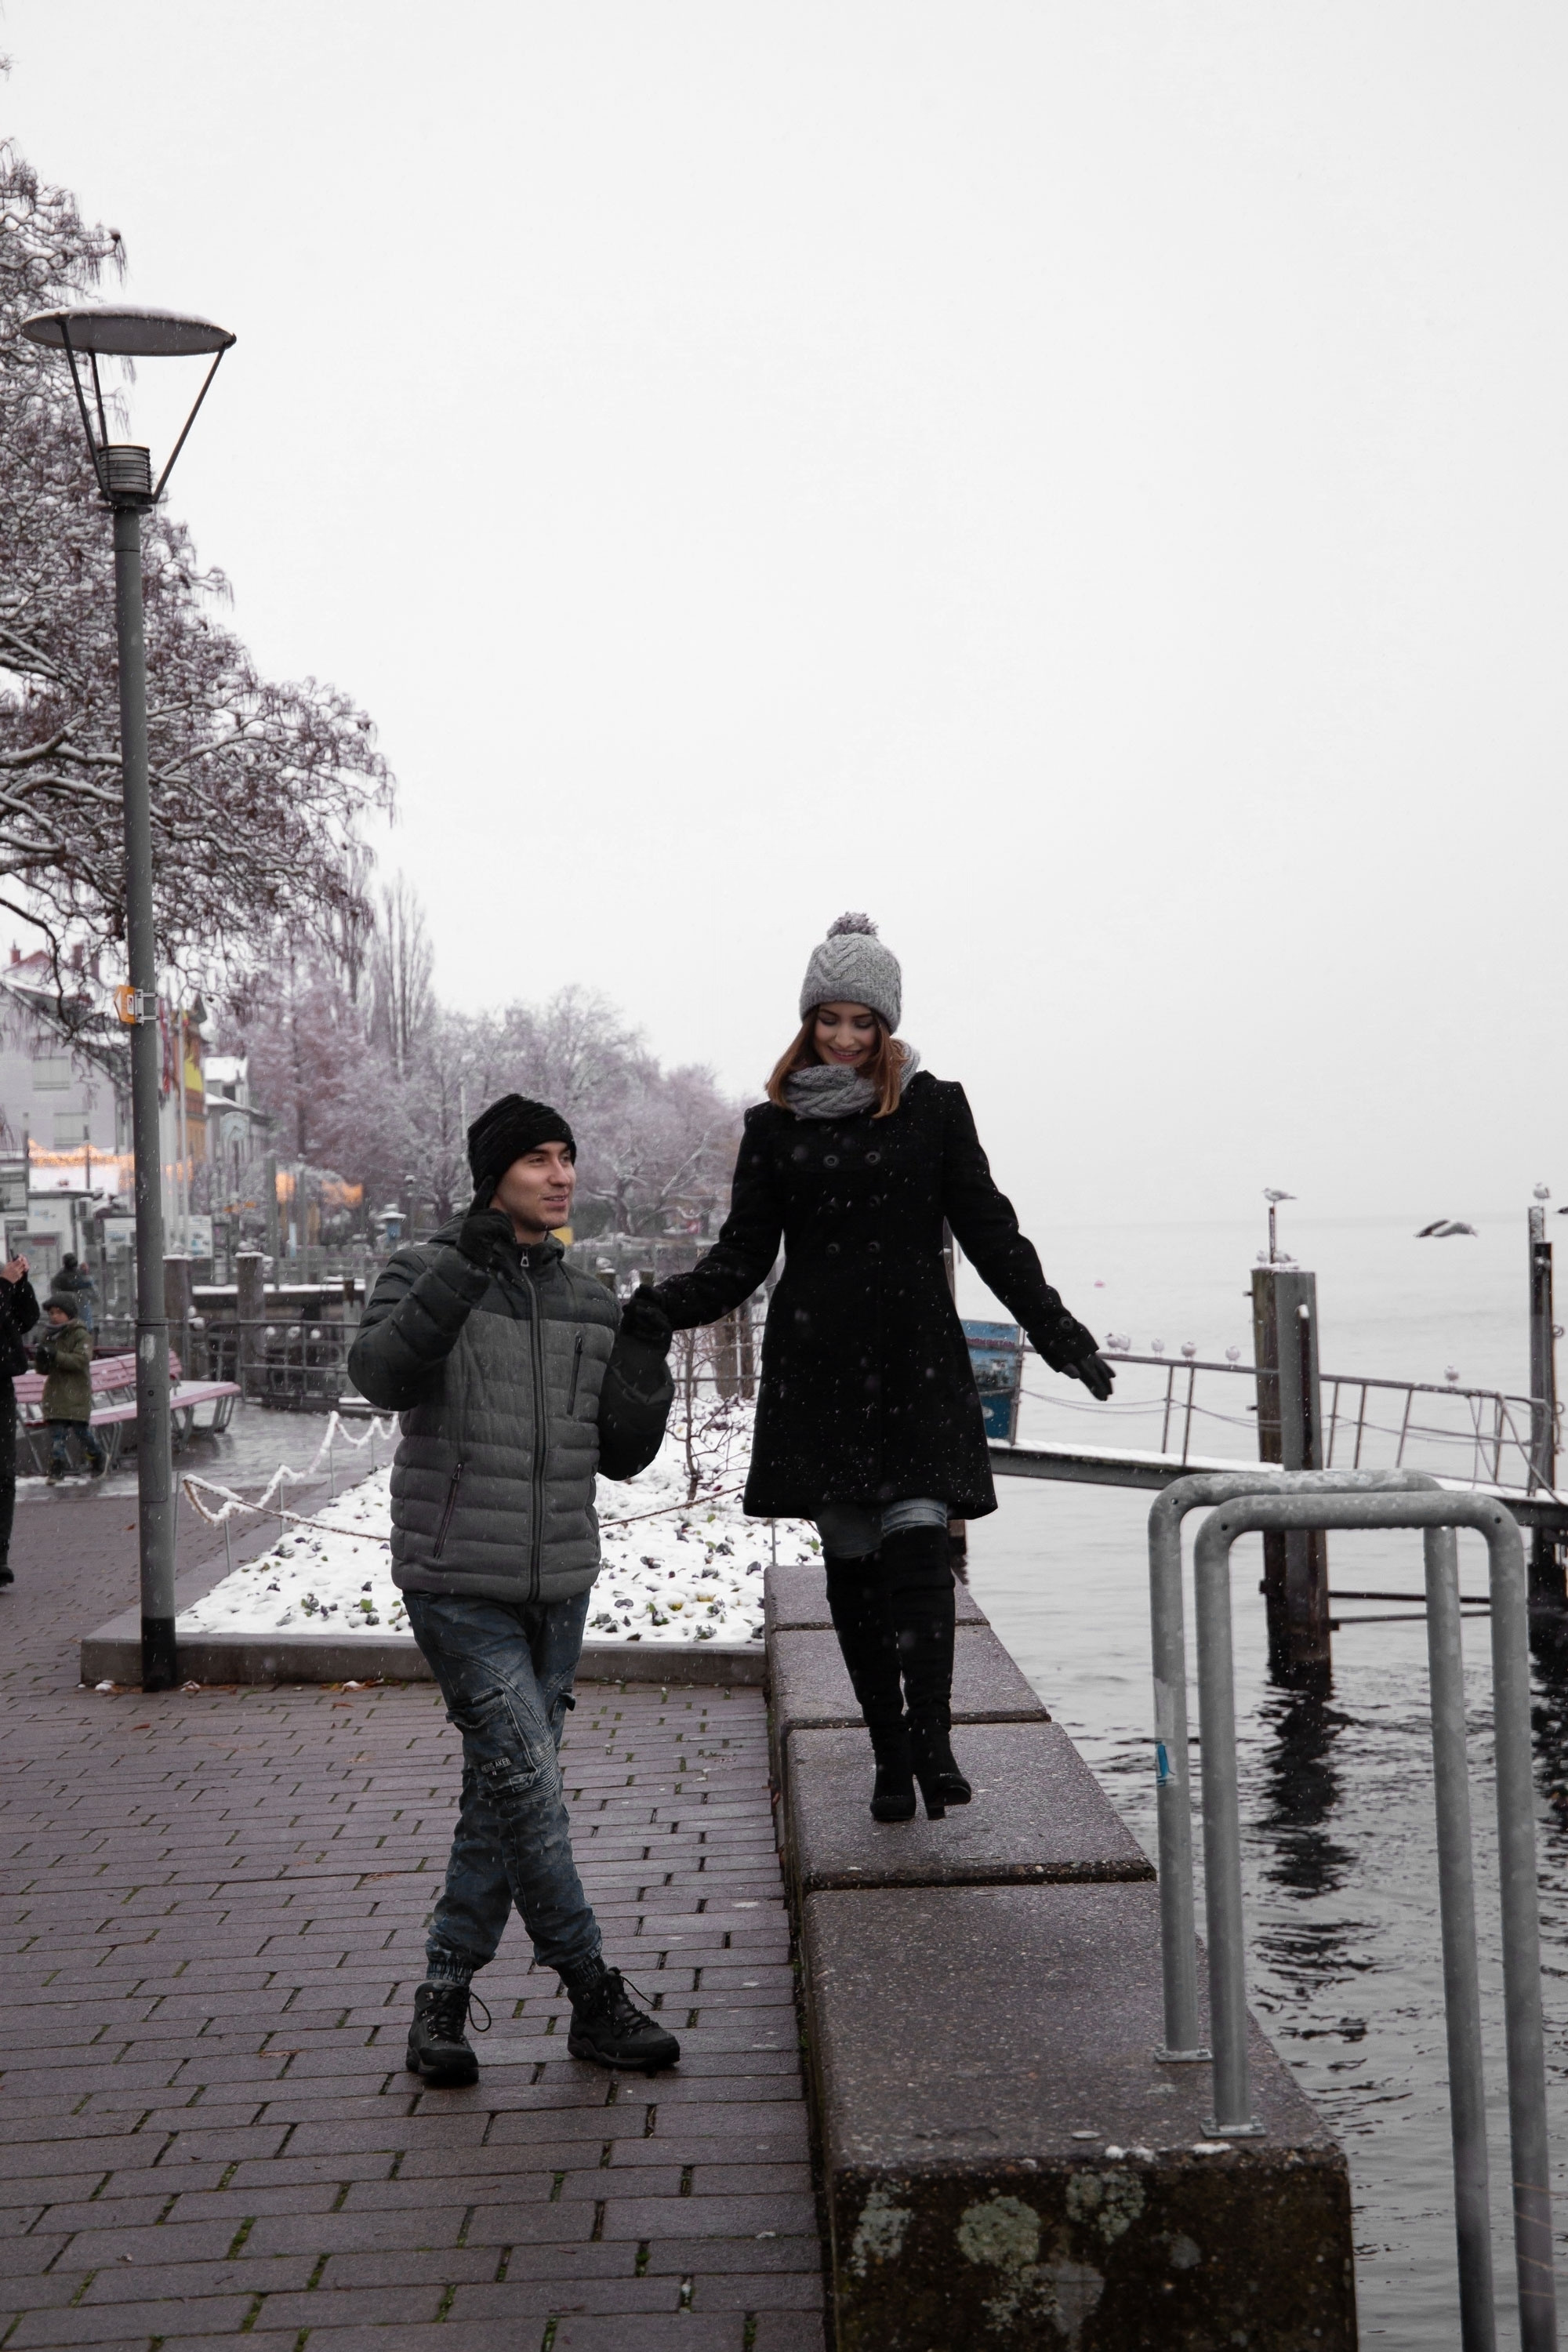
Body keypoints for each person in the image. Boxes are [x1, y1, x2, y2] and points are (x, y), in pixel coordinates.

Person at [624, 913, 1115, 1824]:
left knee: (920, 1552)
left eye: (861, 1023)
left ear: (887, 1026)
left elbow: (990, 1231)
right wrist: (661, 1304)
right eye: (827, 1020)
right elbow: (742, 1257)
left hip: (916, 1365)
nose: (844, 1039)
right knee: (851, 1566)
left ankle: (934, 1739)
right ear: (806, 1022)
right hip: (818, 1372)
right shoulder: (771, 1129)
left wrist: (1058, 1331)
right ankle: (888, 1752)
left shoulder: (933, 1108)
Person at [347, 1094, 681, 2089]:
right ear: (494, 1174)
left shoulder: (585, 1292)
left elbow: (621, 1456)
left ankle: (441, 2004)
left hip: (559, 1582)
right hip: (457, 1578)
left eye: (567, 1157)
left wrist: (646, 1360)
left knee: (501, 1798)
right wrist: (463, 1269)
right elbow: (379, 1376)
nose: (559, 1174)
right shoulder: (425, 1268)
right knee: (531, 1793)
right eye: (537, 1159)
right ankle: (592, 1991)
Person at [36, 1294, 106, 1485]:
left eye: (59, 1312)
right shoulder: (49, 1335)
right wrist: (42, 1357)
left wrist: (56, 1355)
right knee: (57, 1434)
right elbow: (43, 1370)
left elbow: (81, 1360)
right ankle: (56, 1468)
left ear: (69, 1314)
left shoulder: (80, 1334)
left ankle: (97, 1457)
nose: (54, 1316)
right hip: (56, 1393)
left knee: (81, 1431)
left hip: (76, 1393)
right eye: (51, 1313)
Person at [0, 1254, 39, 1584]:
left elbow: (26, 1320)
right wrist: (4, 1285)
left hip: (1, 1384)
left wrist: (21, 1284)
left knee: (3, 1474)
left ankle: (0, 1556)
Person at [55, 1253, 96, 1333]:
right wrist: (86, 1274)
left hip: (67, 1323)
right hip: (83, 1323)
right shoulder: (82, 1277)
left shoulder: (59, 1277)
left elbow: (55, 1295)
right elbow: (95, 1295)